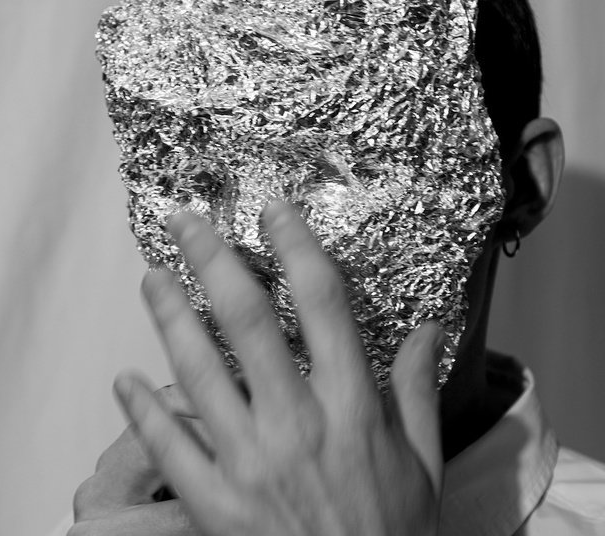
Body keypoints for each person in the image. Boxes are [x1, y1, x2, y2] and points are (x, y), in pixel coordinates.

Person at [62, 1, 605, 535]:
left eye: (331, 173)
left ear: (524, 187)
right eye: (199, 177)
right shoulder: (111, 520)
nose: (252, 243)